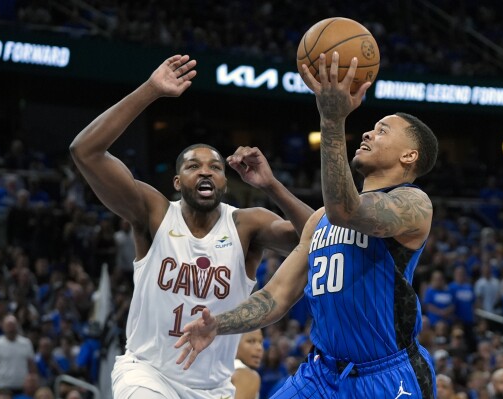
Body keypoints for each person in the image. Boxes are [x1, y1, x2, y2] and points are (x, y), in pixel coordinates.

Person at [178, 52, 439, 397]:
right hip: (320, 374)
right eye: (371, 127)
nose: (368, 133)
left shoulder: (414, 204)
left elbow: (348, 211)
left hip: (387, 375)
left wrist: (332, 119)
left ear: (409, 156)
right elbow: (276, 296)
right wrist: (218, 324)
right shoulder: (320, 221)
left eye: (382, 131)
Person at [69, 54, 313, 399]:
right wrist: (151, 90)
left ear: (225, 183)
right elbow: (85, 151)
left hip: (214, 388)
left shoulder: (246, 224)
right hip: (146, 375)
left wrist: (272, 185)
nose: (204, 171)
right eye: (193, 165)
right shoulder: (153, 213)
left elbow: (318, 241)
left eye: (215, 166)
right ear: (178, 182)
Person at [232, 330, 264, 399]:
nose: (259, 348)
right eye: (251, 341)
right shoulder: (248, 374)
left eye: (261, 342)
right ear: (234, 344)